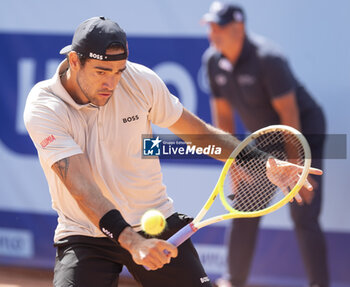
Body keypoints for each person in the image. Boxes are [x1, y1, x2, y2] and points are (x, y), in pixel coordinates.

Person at [23, 16, 321, 287]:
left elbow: (198, 133)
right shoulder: (45, 106)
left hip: (154, 222)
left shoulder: (140, 82)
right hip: (85, 234)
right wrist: (130, 240)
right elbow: (80, 185)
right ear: (74, 61)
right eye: (102, 71)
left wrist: (261, 162)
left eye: (118, 71)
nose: (111, 83)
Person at [201, 2, 328, 287]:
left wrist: (297, 166)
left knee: (303, 211)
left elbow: (290, 114)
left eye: (219, 26)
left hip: (303, 133)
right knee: (246, 207)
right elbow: (222, 115)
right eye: (210, 26)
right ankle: (234, 281)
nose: (214, 32)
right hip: (265, 140)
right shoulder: (212, 60)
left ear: (239, 28)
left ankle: (320, 284)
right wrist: (233, 161)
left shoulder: (268, 58)